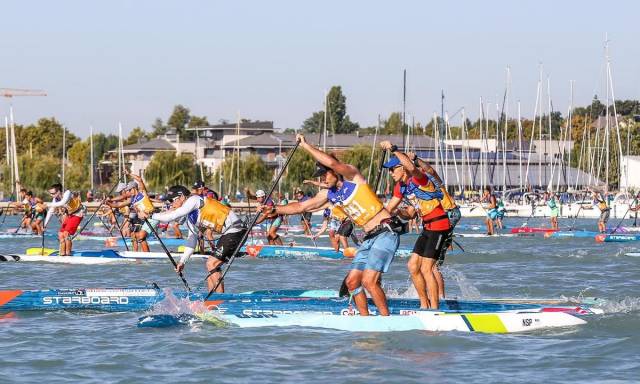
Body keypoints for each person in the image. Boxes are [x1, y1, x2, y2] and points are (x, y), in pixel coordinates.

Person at [259, 134, 401, 316]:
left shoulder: (353, 177)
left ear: (334, 172)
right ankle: (366, 320)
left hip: (386, 233)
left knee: (369, 281)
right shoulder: (329, 194)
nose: (324, 179)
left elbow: (333, 164)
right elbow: (301, 206)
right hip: (369, 238)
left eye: (325, 174)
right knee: (352, 283)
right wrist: (275, 209)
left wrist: (306, 146)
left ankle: (385, 319)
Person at [380, 141, 450, 309]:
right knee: (412, 266)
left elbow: (412, 168)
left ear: (402, 167)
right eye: (388, 170)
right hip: (427, 228)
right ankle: (423, 305)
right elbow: (403, 212)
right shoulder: (401, 187)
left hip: (440, 225)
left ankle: (434, 308)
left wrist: (394, 148)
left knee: (427, 269)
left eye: (392, 169)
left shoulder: (418, 179)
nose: (390, 173)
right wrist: (390, 214)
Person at [141, 185, 247, 293]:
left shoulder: (194, 200)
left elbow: (171, 216)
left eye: (172, 200)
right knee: (211, 267)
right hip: (229, 234)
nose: (171, 204)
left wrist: (150, 216)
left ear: (182, 197)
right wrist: (182, 261)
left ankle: (221, 300)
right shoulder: (191, 218)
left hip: (236, 230)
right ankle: (211, 299)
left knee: (211, 263)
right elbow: (192, 241)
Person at [106, 177, 156, 252]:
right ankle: (142, 254)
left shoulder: (142, 193)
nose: (128, 192)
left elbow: (139, 179)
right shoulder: (132, 199)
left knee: (139, 236)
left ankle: (142, 253)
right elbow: (119, 204)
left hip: (152, 217)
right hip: (145, 219)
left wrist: (128, 174)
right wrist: (108, 202)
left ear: (134, 188)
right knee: (137, 237)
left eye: (129, 190)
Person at [44, 184, 84, 256]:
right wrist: (45, 225)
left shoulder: (67, 193)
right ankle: (62, 254)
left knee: (66, 233)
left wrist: (47, 205)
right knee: (60, 234)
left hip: (78, 213)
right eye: (50, 193)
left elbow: (63, 202)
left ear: (59, 191)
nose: (51, 195)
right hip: (70, 214)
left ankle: (68, 254)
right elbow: (50, 211)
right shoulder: (55, 199)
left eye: (53, 193)